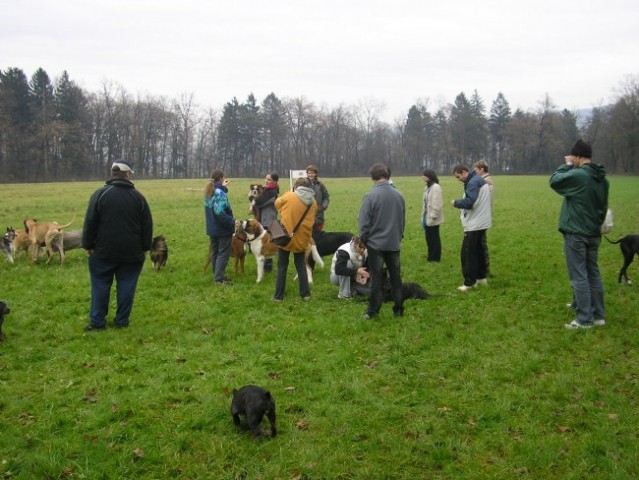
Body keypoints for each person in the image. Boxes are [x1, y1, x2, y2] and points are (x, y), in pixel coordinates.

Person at [82, 160, 153, 331]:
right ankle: (122, 321)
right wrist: (145, 248)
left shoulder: (100, 194)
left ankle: (97, 322)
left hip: (102, 252)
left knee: (100, 285)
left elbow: (90, 222)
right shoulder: (139, 198)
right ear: (127, 174)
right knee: (127, 286)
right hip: (132, 253)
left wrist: (88, 245)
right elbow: (147, 226)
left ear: (112, 174)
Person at [550, 139, 609, 329]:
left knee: (579, 275)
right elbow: (603, 206)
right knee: (593, 272)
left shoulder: (579, 175)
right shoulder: (602, 179)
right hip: (593, 232)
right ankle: (598, 315)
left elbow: (555, 181)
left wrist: (566, 164)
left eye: (572, 157)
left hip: (576, 232)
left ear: (576, 156)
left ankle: (584, 319)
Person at [358, 163, 406, 319]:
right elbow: (402, 219)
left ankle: (373, 311)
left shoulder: (370, 196)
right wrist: (399, 236)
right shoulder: (399, 195)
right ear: (387, 175)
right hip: (394, 242)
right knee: (396, 277)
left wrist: (364, 238)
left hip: (376, 244)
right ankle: (398, 308)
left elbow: (363, 222)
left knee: (377, 279)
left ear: (372, 177)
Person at [273, 177, 317, 302]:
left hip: (285, 237)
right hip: (302, 238)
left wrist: (288, 192)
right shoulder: (313, 202)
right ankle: (305, 294)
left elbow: (276, 203)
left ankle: (278, 296)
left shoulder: (290, 196)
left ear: (295, 187)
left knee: (282, 266)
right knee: (301, 266)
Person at [451, 164, 492, 292]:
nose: (459, 180)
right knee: (480, 251)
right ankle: (481, 277)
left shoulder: (473, 182)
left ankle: (469, 283)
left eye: (458, 177)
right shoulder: (479, 180)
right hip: (482, 222)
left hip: (474, 224)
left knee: (468, 254)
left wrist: (455, 202)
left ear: (464, 172)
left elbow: (469, 202)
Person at [204, 169, 235, 285]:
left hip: (212, 228)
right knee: (223, 253)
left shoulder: (209, 191)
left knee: (215, 252)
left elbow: (215, 204)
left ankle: (217, 274)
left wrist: (224, 187)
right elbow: (219, 212)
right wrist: (233, 221)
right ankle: (219, 279)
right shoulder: (220, 193)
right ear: (221, 178)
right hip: (222, 229)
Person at [254, 172, 279, 272]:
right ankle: (267, 265)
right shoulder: (267, 190)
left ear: (275, 182)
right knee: (267, 243)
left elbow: (260, 203)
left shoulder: (272, 192)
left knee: (269, 243)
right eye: (266, 179)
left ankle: (268, 267)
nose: (266, 181)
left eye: (269, 180)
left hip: (269, 221)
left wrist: (254, 198)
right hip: (266, 219)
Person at [420, 169, 444, 262]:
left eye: (424, 175)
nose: (422, 177)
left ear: (429, 176)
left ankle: (435, 258)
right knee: (429, 239)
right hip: (426, 216)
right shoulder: (427, 187)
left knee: (434, 239)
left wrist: (433, 217)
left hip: (433, 218)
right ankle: (430, 256)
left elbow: (437, 204)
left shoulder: (436, 187)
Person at [306, 165, 330, 232]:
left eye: (312, 173)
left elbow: (326, 197)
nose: (310, 175)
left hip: (318, 214)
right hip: (307, 214)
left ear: (315, 174)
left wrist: (323, 206)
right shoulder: (304, 184)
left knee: (318, 235)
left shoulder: (320, 185)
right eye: (309, 173)